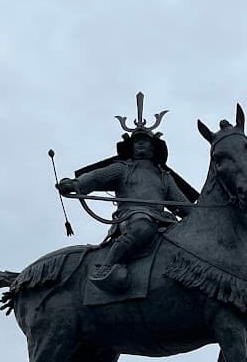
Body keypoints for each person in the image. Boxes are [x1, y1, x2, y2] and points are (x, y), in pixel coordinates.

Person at [57, 93, 199, 294]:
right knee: (142, 227)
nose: (140, 144)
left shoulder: (164, 177)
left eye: (145, 142)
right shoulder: (122, 168)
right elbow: (97, 177)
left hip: (163, 220)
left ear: (153, 147)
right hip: (132, 218)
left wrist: (206, 214)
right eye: (137, 142)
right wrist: (75, 183)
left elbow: (183, 206)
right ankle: (108, 265)